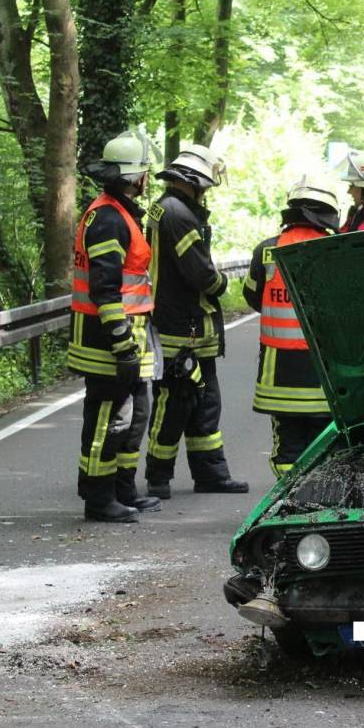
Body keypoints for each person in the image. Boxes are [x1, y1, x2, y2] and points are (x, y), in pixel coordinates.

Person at [68, 129, 163, 523]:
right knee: (109, 418)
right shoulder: (108, 219)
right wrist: (123, 343)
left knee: (135, 414)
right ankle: (98, 496)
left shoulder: (119, 213)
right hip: (108, 343)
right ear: (135, 176)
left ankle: (123, 487)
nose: (147, 180)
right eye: (145, 173)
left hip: (129, 341)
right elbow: (105, 290)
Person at [143, 144, 249, 498]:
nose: (206, 192)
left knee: (205, 405)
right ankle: (158, 477)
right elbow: (200, 273)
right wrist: (220, 283)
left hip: (192, 328)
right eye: (205, 185)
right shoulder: (177, 215)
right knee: (174, 404)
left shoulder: (169, 208)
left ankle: (211, 474)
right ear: (193, 181)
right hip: (180, 329)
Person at [243, 175, 340, 477]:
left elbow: (252, 296)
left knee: (287, 450)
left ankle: (287, 503)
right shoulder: (336, 250)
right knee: (327, 446)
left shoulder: (266, 251)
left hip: (278, 376)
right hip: (324, 375)